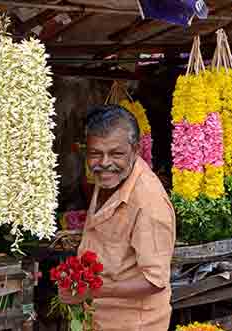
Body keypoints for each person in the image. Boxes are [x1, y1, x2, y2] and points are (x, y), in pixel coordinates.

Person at [59, 104, 176, 331]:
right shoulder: (109, 178)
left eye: (116, 153)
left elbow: (155, 281)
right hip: (99, 318)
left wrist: (92, 290)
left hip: (133, 325)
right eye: (95, 153)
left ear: (136, 150)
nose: (104, 163)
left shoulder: (149, 202)